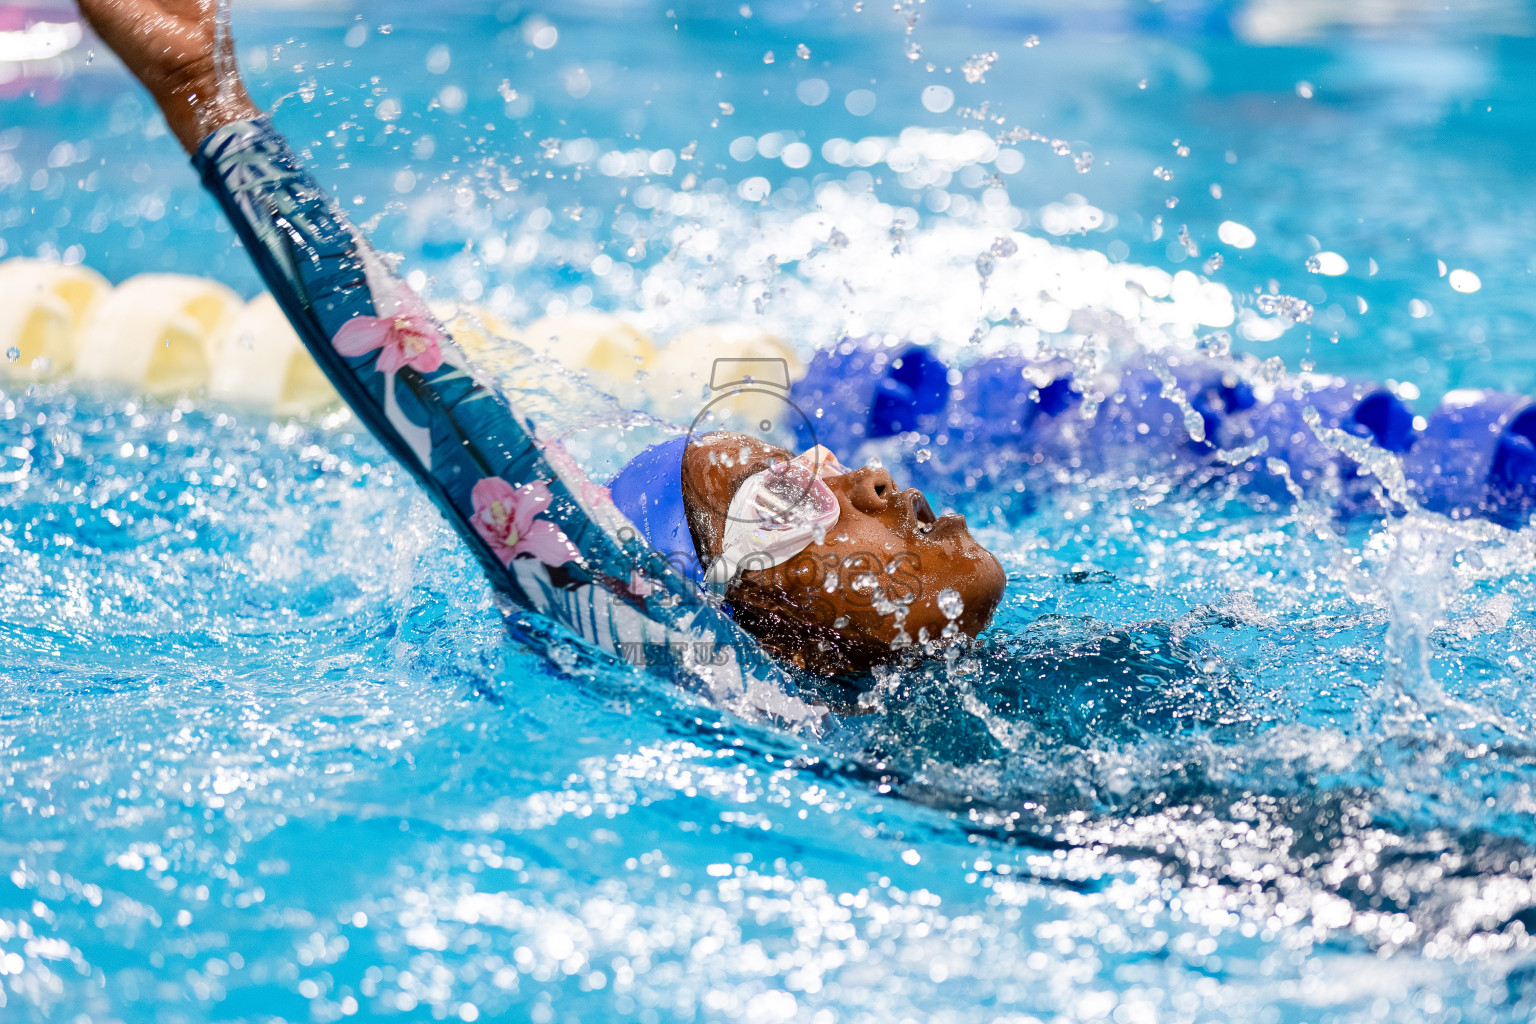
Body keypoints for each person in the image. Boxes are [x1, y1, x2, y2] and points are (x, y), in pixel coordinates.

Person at [74, 0, 1007, 688]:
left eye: (822, 471)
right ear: (697, 611)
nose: (870, 483)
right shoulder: (734, 681)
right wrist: (208, 98)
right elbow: (445, 408)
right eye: (788, 504)